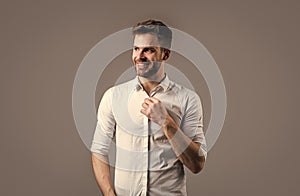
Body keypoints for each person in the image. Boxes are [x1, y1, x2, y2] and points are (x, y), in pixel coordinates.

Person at [91, 19, 207, 196]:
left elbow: (196, 164)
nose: (139, 56)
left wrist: (166, 122)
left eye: (149, 50)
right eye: (136, 49)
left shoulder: (188, 99)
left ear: (165, 54)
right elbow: (99, 151)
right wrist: (109, 194)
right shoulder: (113, 96)